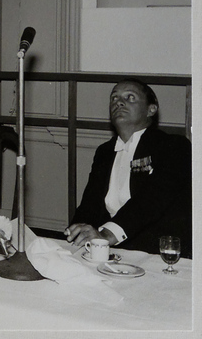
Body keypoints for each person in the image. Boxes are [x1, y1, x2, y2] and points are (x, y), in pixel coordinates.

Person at [66, 79, 192, 258]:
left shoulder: (174, 146)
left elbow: (150, 201)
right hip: (108, 250)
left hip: (157, 252)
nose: (119, 102)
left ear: (151, 110)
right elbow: (90, 205)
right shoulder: (105, 151)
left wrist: (107, 235)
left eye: (130, 97)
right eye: (114, 98)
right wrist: (75, 235)